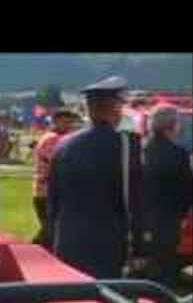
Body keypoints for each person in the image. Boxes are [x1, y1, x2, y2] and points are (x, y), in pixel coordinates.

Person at [47, 76, 146, 278]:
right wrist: (140, 247)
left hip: (68, 240)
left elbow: (53, 203)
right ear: (116, 108)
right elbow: (134, 200)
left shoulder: (63, 145)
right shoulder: (127, 145)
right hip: (107, 244)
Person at [143, 105, 193, 287]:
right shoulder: (179, 154)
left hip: (144, 218)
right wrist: (182, 215)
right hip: (169, 218)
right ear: (171, 126)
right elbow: (187, 189)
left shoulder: (141, 151)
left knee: (150, 262)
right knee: (165, 264)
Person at [31, 107, 79, 248]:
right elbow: (58, 165)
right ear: (57, 121)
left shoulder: (58, 138)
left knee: (50, 232)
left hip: (50, 191)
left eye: (71, 121)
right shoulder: (52, 139)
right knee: (50, 233)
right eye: (67, 121)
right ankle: (29, 254)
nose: (70, 125)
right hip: (46, 192)